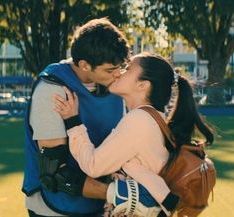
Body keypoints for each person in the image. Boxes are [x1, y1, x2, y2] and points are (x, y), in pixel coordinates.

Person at [53, 52, 214, 216]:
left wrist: (72, 121)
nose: (119, 72)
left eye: (128, 68)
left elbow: (93, 165)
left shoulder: (139, 120)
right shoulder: (153, 118)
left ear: (142, 85)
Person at [22, 17, 134, 217]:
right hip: (54, 210)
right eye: (110, 70)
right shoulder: (52, 91)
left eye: (120, 67)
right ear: (84, 65)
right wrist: (118, 194)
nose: (118, 74)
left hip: (100, 206)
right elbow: (55, 174)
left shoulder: (115, 86)